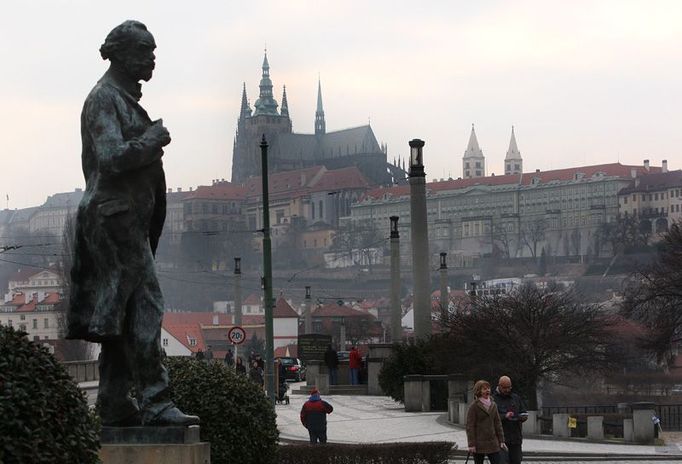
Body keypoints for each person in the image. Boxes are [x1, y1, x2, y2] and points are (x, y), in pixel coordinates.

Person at [66, 20, 198, 427]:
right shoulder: (104, 98)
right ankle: (156, 402)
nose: (152, 59)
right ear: (121, 53)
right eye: (145, 51)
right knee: (146, 304)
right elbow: (111, 157)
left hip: (125, 218)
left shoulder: (121, 97)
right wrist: (151, 140)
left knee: (122, 311)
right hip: (113, 216)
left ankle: (112, 400)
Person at [466, 380, 506, 464]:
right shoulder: (474, 406)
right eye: (484, 389)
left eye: (488, 388)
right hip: (479, 443)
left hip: (493, 442)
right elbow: (470, 426)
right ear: (479, 391)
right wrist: (471, 444)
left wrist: (501, 440)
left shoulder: (493, 405)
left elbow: (498, 423)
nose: (487, 390)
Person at [493, 375, 528, 464]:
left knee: (516, 461)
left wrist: (519, 417)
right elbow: (491, 418)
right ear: (499, 386)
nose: (507, 390)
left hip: (515, 439)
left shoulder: (516, 398)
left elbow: (524, 413)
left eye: (509, 387)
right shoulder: (493, 399)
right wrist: (505, 416)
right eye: (504, 388)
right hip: (500, 439)